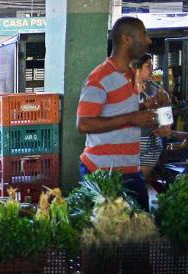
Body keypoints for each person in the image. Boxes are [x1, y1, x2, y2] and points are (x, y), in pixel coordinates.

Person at [76, 16, 157, 210]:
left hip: (130, 169)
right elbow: (83, 124)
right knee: (111, 235)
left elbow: (119, 111)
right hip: (103, 171)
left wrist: (143, 111)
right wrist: (132, 118)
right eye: (144, 34)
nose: (148, 40)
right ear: (127, 39)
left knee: (141, 230)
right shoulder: (99, 78)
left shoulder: (130, 74)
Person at [133, 53, 170, 193]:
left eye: (152, 67)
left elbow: (166, 117)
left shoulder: (157, 91)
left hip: (150, 144)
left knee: (140, 181)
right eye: (148, 66)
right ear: (137, 68)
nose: (151, 70)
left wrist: (166, 128)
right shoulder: (125, 90)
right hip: (129, 144)